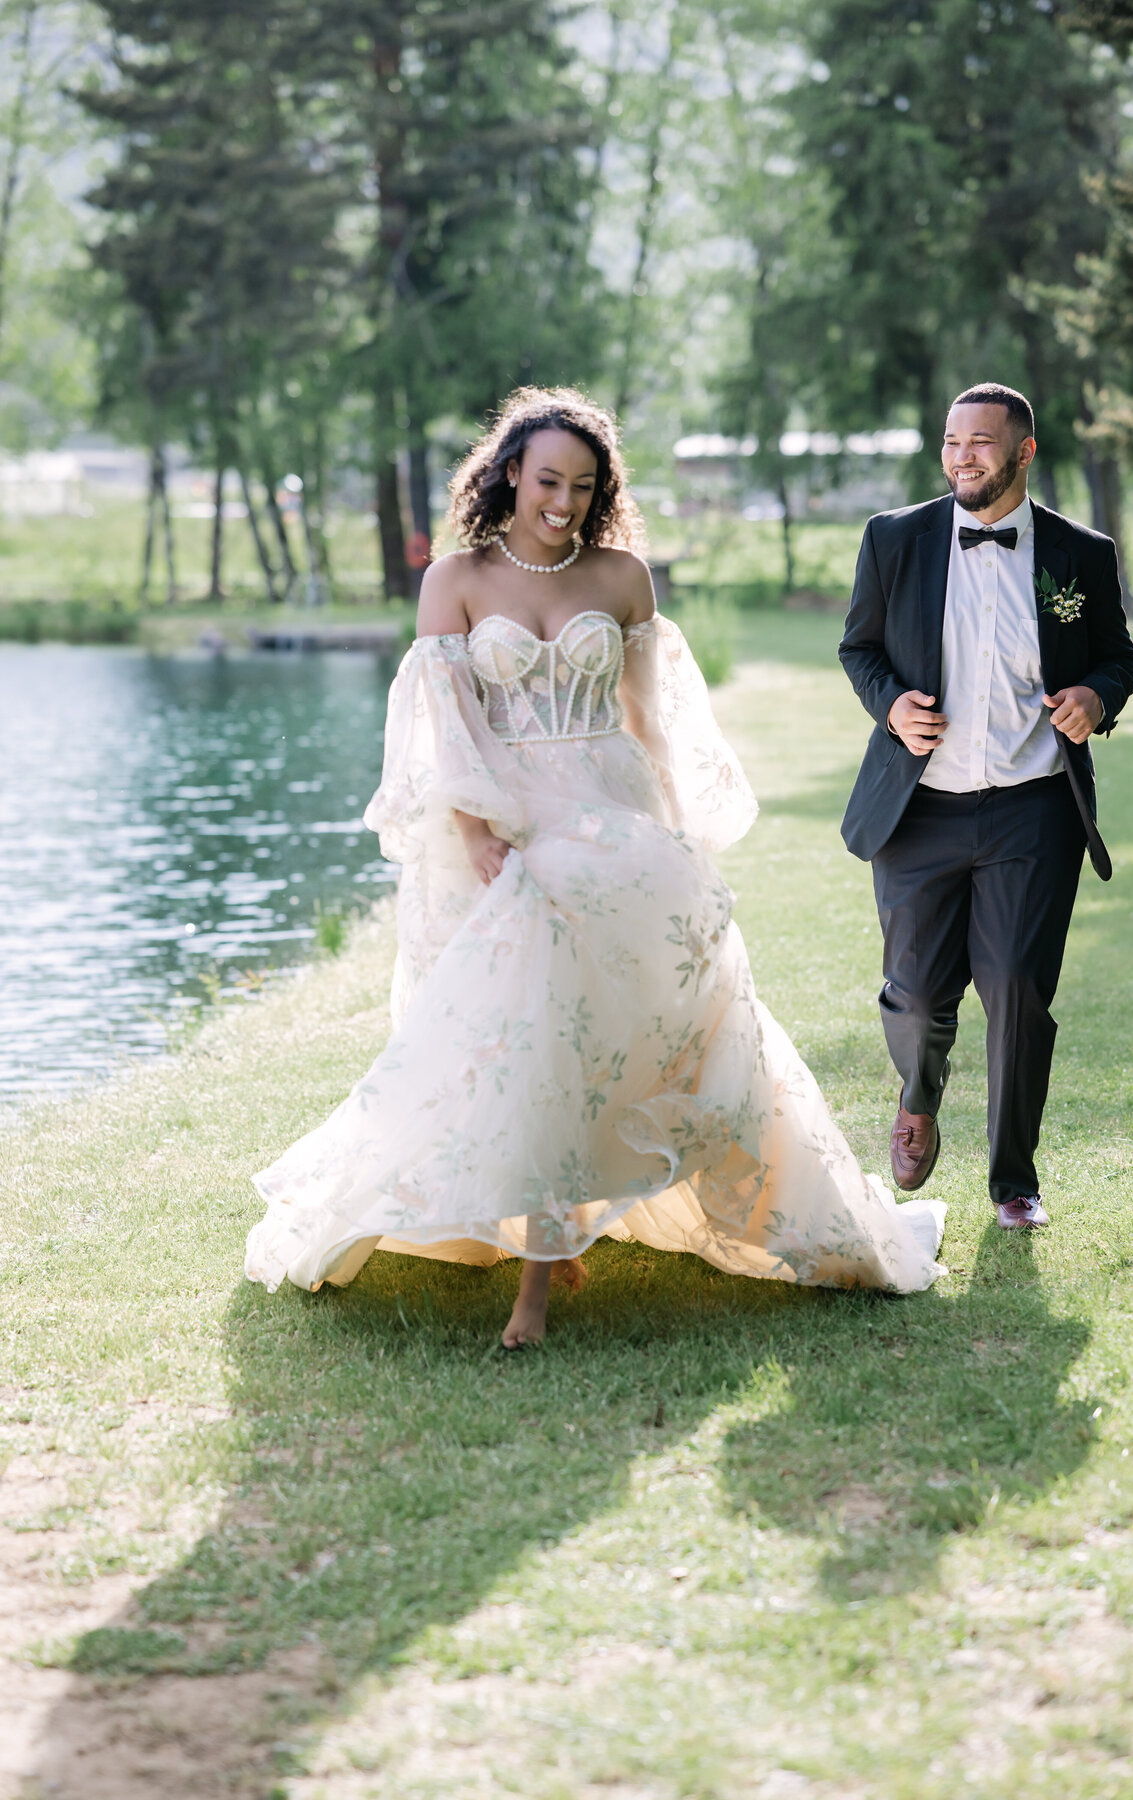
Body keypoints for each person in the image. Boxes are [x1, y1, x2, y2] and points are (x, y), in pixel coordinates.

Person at [246, 387, 945, 1346]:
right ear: (506, 476)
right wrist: (479, 832)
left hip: (610, 817)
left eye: (582, 485)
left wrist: (679, 832)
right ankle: (543, 1244)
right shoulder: (454, 579)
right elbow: (445, 727)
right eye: (546, 481)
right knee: (527, 1038)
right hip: (507, 823)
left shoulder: (622, 578)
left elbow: (650, 721)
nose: (562, 502)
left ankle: (549, 1269)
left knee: (603, 1034)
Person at [839, 382, 1133, 1230]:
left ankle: (1014, 1179)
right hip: (919, 808)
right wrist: (890, 704)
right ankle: (919, 1093)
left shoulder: (1080, 553)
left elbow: (1118, 657)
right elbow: (858, 647)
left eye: (980, 442)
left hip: (1032, 808)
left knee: (1014, 988)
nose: (962, 455)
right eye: (951, 441)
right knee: (919, 993)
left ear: (1023, 452)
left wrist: (1095, 695)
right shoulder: (894, 539)